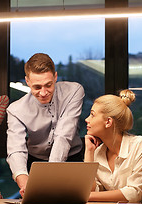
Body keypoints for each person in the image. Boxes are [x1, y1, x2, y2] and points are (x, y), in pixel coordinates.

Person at [6, 53, 85, 196]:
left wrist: (48, 178)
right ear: (27, 82)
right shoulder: (16, 110)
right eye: (37, 87)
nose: (43, 92)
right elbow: (16, 148)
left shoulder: (74, 91)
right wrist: (23, 180)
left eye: (48, 85)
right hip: (36, 163)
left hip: (73, 159)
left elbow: (63, 136)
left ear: (55, 77)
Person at [84, 89, 142, 203]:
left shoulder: (141, 145)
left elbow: (134, 193)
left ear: (108, 122)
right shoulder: (97, 152)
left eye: (92, 115)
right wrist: (89, 152)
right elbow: (90, 190)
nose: (87, 119)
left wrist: (89, 196)